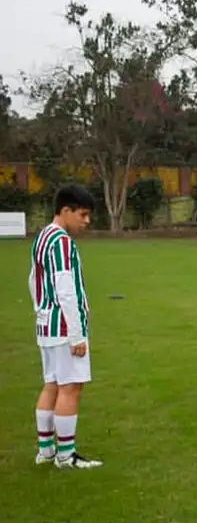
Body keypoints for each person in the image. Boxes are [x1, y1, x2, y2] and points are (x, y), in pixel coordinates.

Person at [29, 184, 102, 469]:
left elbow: (33, 281)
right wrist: (76, 334)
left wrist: (40, 312)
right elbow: (65, 288)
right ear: (65, 210)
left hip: (46, 325)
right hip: (63, 327)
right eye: (82, 215)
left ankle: (46, 450)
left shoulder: (42, 237)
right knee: (71, 387)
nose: (86, 221)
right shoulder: (61, 242)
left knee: (52, 385)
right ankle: (65, 455)